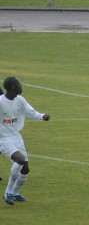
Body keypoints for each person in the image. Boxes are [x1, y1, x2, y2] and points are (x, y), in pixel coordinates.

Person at [0, 76, 50, 205]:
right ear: (12, 87)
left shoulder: (20, 100)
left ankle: (15, 193)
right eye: (19, 84)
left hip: (16, 136)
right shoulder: (0, 102)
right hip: (3, 139)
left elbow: (30, 112)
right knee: (20, 160)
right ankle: (8, 193)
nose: (21, 86)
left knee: (25, 168)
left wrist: (42, 116)